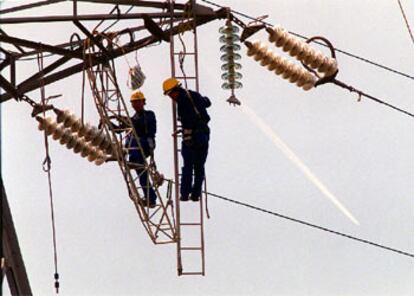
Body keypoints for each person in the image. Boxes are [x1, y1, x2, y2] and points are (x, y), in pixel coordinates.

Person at [162, 77, 211, 202]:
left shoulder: (182, 101)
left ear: (175, 90)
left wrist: (187, 137)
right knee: (199, 166)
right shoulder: (193, 94)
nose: (171, 98)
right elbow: (207, 102)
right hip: (204, 133)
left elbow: (187, 121)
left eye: (170, 94)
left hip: (193, 135)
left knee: (188, 166)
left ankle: (184, 194)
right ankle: (195, 195)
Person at [125, 89, 157, 208]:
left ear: (143, 102)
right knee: (142, 173)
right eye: (134, 103)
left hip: (146, 144)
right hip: (137, 150)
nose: (135, 105)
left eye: (138, 102)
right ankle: (151, 199)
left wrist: (128, 122)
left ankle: (133, 159)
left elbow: (143, 123)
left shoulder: (149, 114)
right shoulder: (132, 118)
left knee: (132, 140)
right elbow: (124, 126)